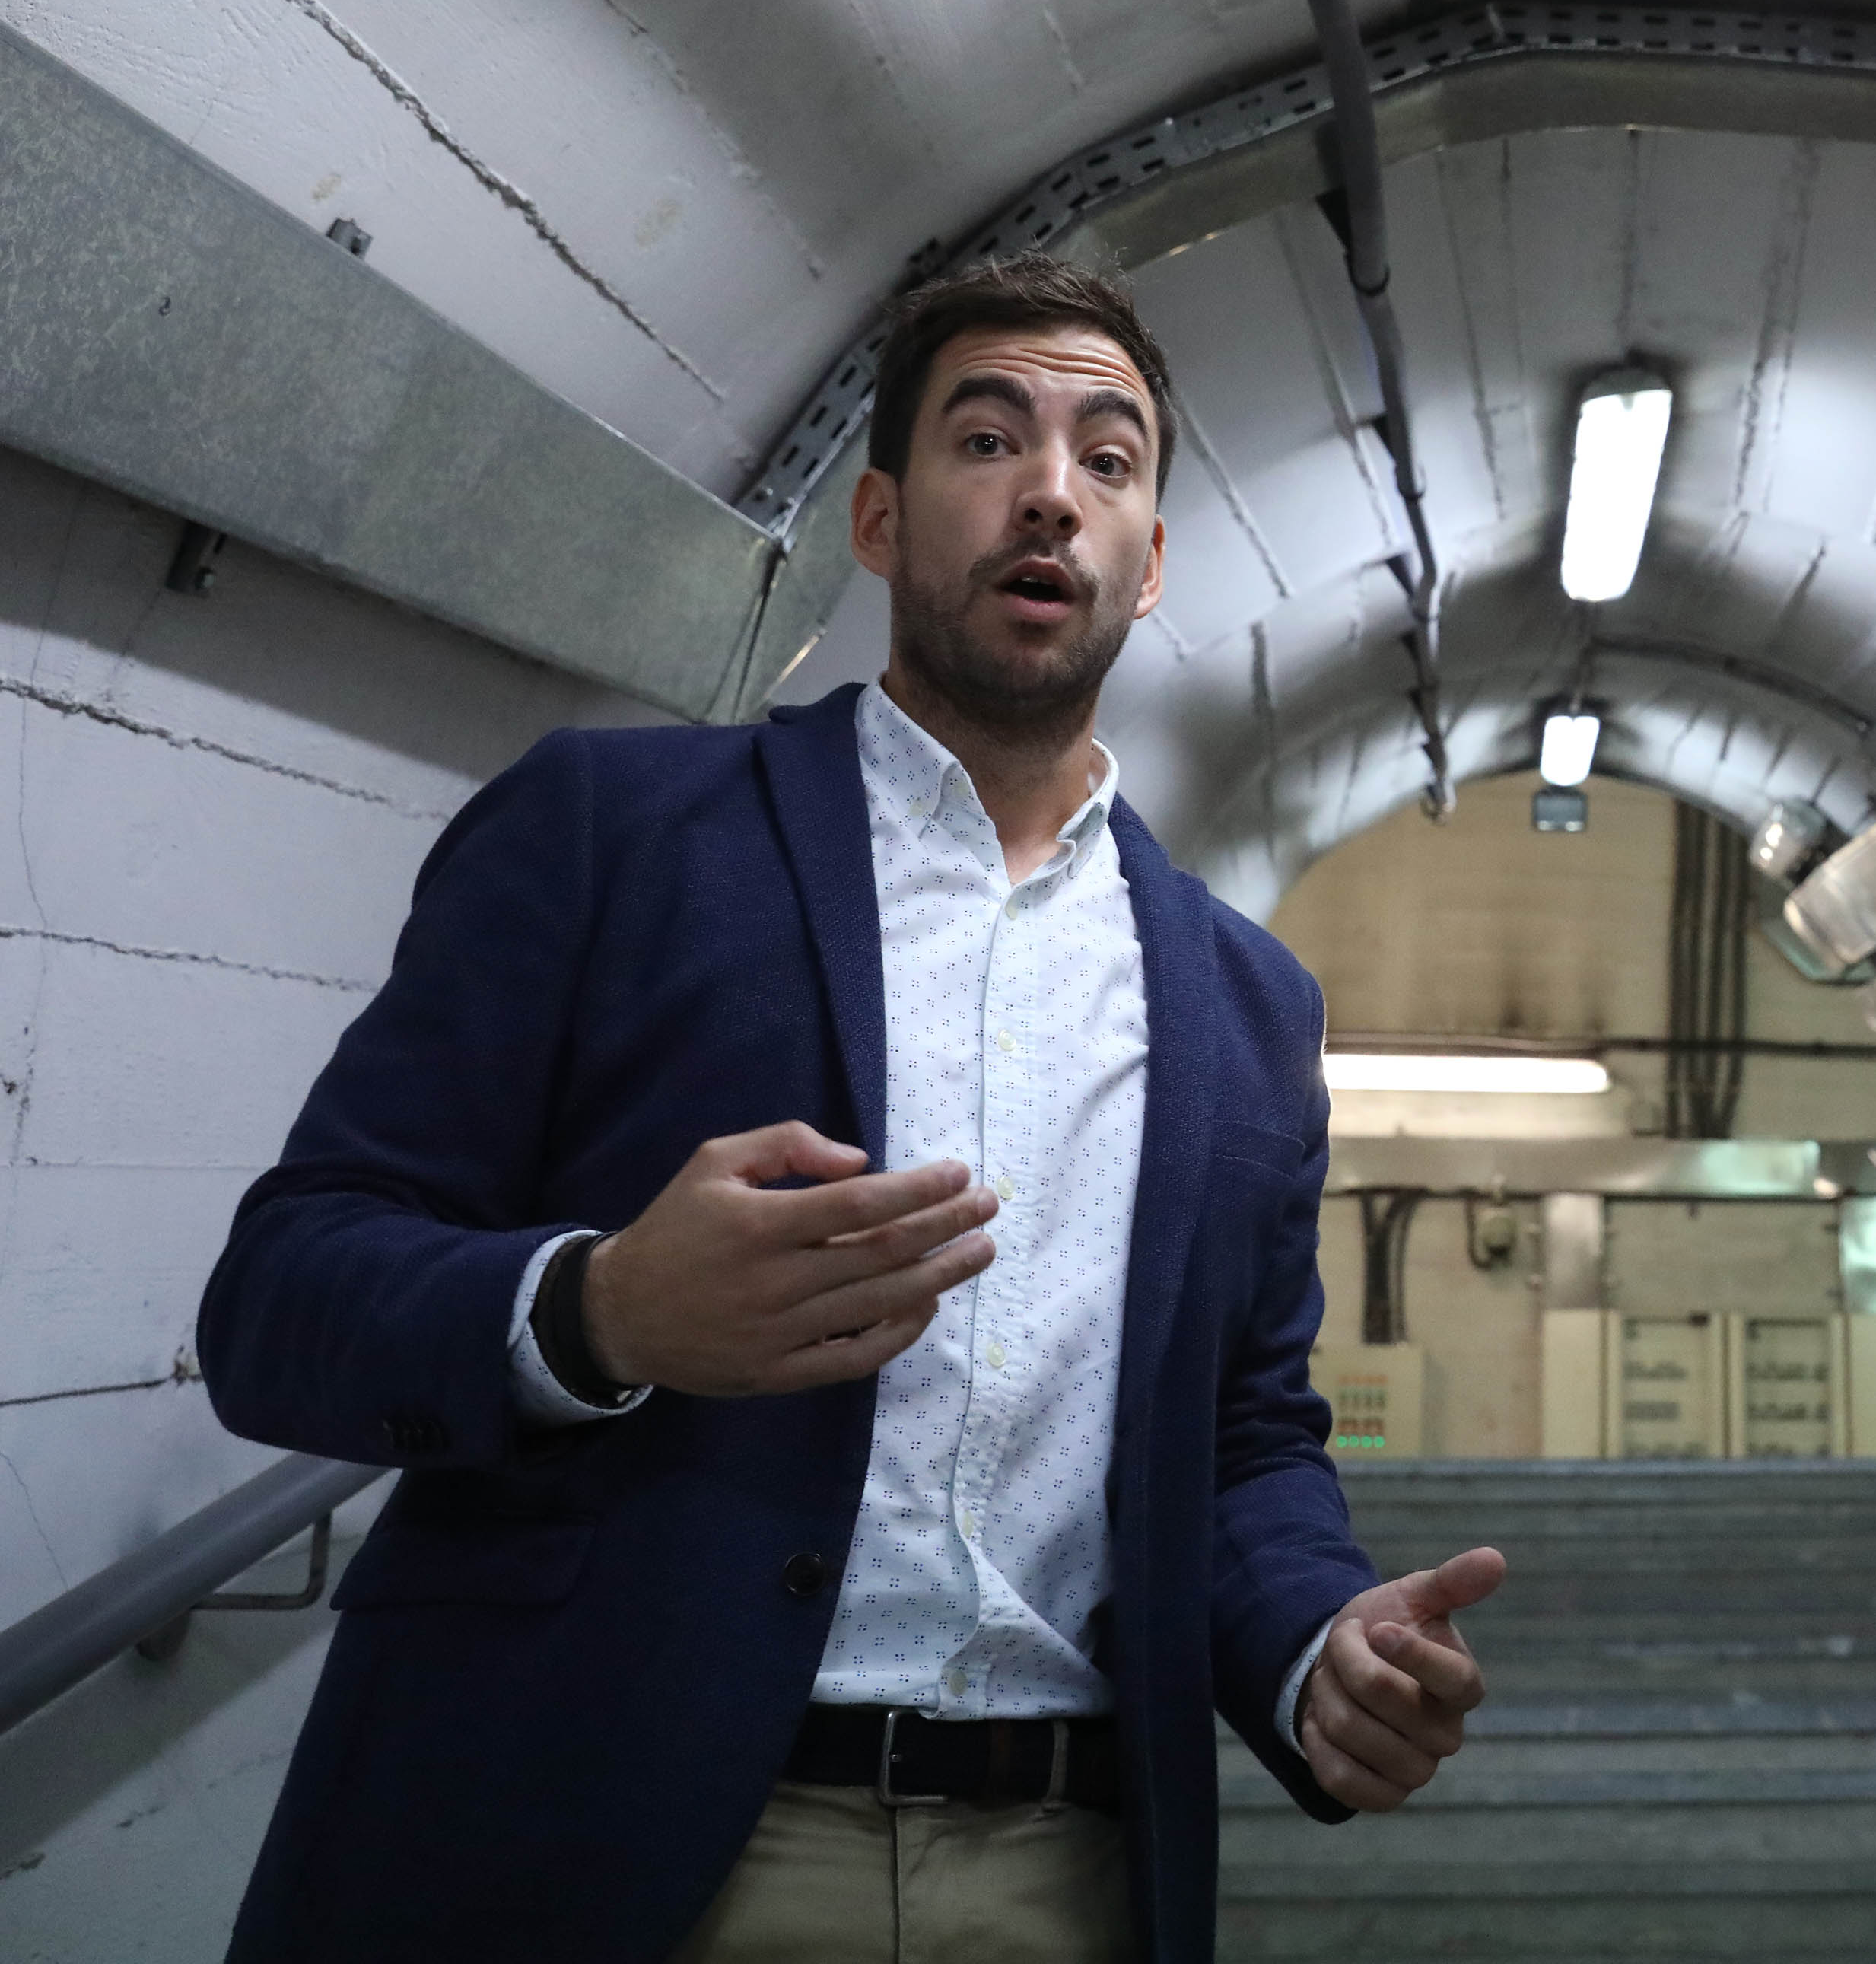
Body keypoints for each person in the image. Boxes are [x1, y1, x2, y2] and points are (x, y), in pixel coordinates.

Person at [197, 253, 1499, 1963]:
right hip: (594, 1835)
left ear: (1152, 561)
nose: (1053, 492)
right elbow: (282, 1295)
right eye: (989, 440)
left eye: (1109, 460)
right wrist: (599, 1310)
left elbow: (1242, 1440)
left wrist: (1317, 1644)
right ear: (879, 521)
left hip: (1062, 1869)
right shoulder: (611, 834)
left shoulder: (1249, 1004)